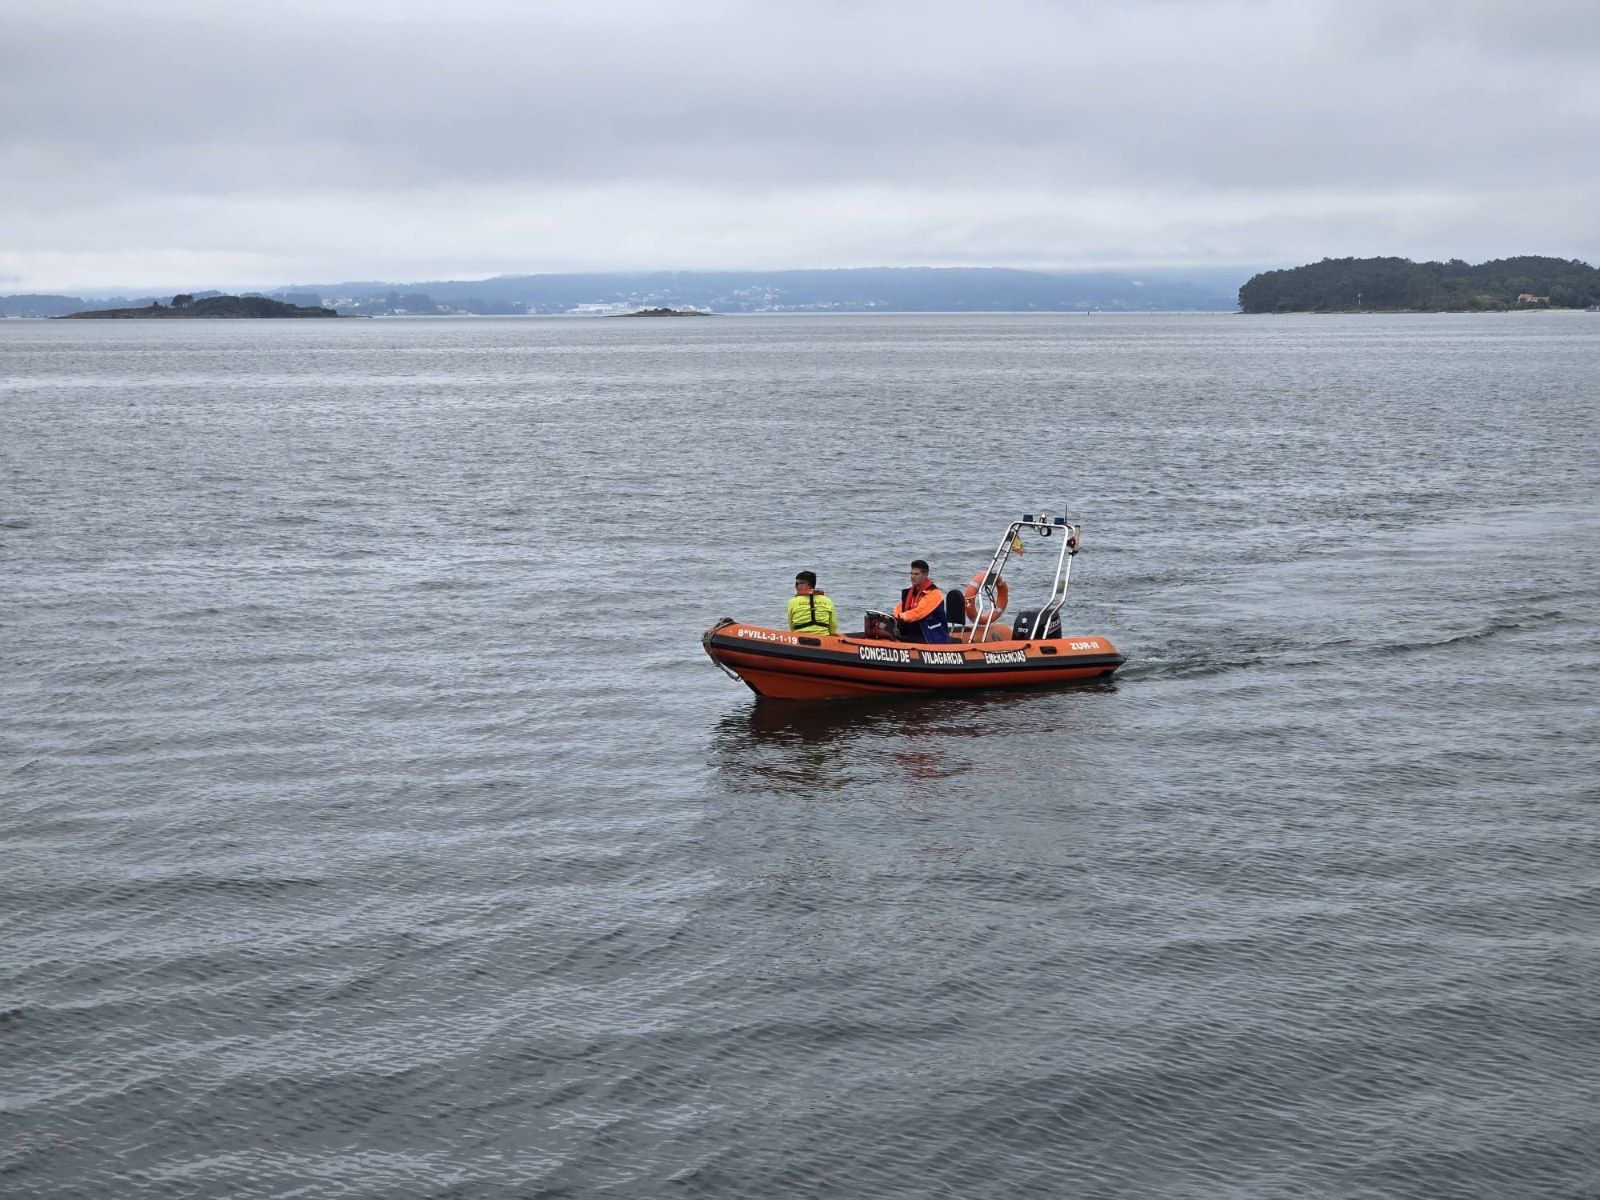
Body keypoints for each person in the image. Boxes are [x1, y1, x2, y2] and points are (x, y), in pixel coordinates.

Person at [893, 559, 950, 643]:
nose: (912, 577)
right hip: (917, 631)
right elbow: (900, 607)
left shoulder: (934, 594)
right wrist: (893, 617)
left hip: (933, 634)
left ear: (925, 575)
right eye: (911, 573)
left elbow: (918, 613)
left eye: (916, 574)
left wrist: (900, 617)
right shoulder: (910, 592)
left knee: (901, 638)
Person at [787, 570, 838, 635]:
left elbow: (791, 626)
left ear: (806, 585)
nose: (795, 586)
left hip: (800, 638)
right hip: (823, 637)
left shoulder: (793, 601)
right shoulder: (827, 601)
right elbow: (833, 627)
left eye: (797, 583)